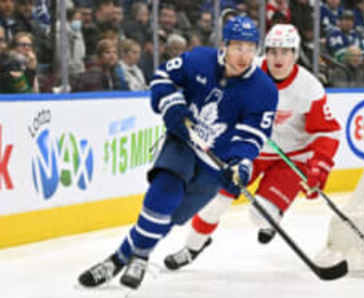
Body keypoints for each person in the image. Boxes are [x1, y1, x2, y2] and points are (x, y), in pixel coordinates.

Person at [77, 15, 278, 290]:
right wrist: (172, 105)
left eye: (250, 48)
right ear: (225, 45)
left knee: (168, 217)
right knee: (163, 192)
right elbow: (163, 76)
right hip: (183, 142)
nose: (244, 55)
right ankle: (140, 258)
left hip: (214, 165)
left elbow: (253, 134)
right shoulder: (199, 60)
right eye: (238, 47)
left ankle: (119, 258)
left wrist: (240, 165)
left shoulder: (264, 90)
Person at [162, 24, 341, 270]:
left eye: (286, 52)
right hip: (249, 149)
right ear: (265, 51)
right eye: (273, 51)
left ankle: (271, 216)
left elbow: (327, 130)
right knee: (216, 200)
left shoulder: (309, 87)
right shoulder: (247, 70)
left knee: (260, 215)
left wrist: (320, 165)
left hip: (291, 156)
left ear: (296, 54)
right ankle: (193, 247)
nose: (278, 58)